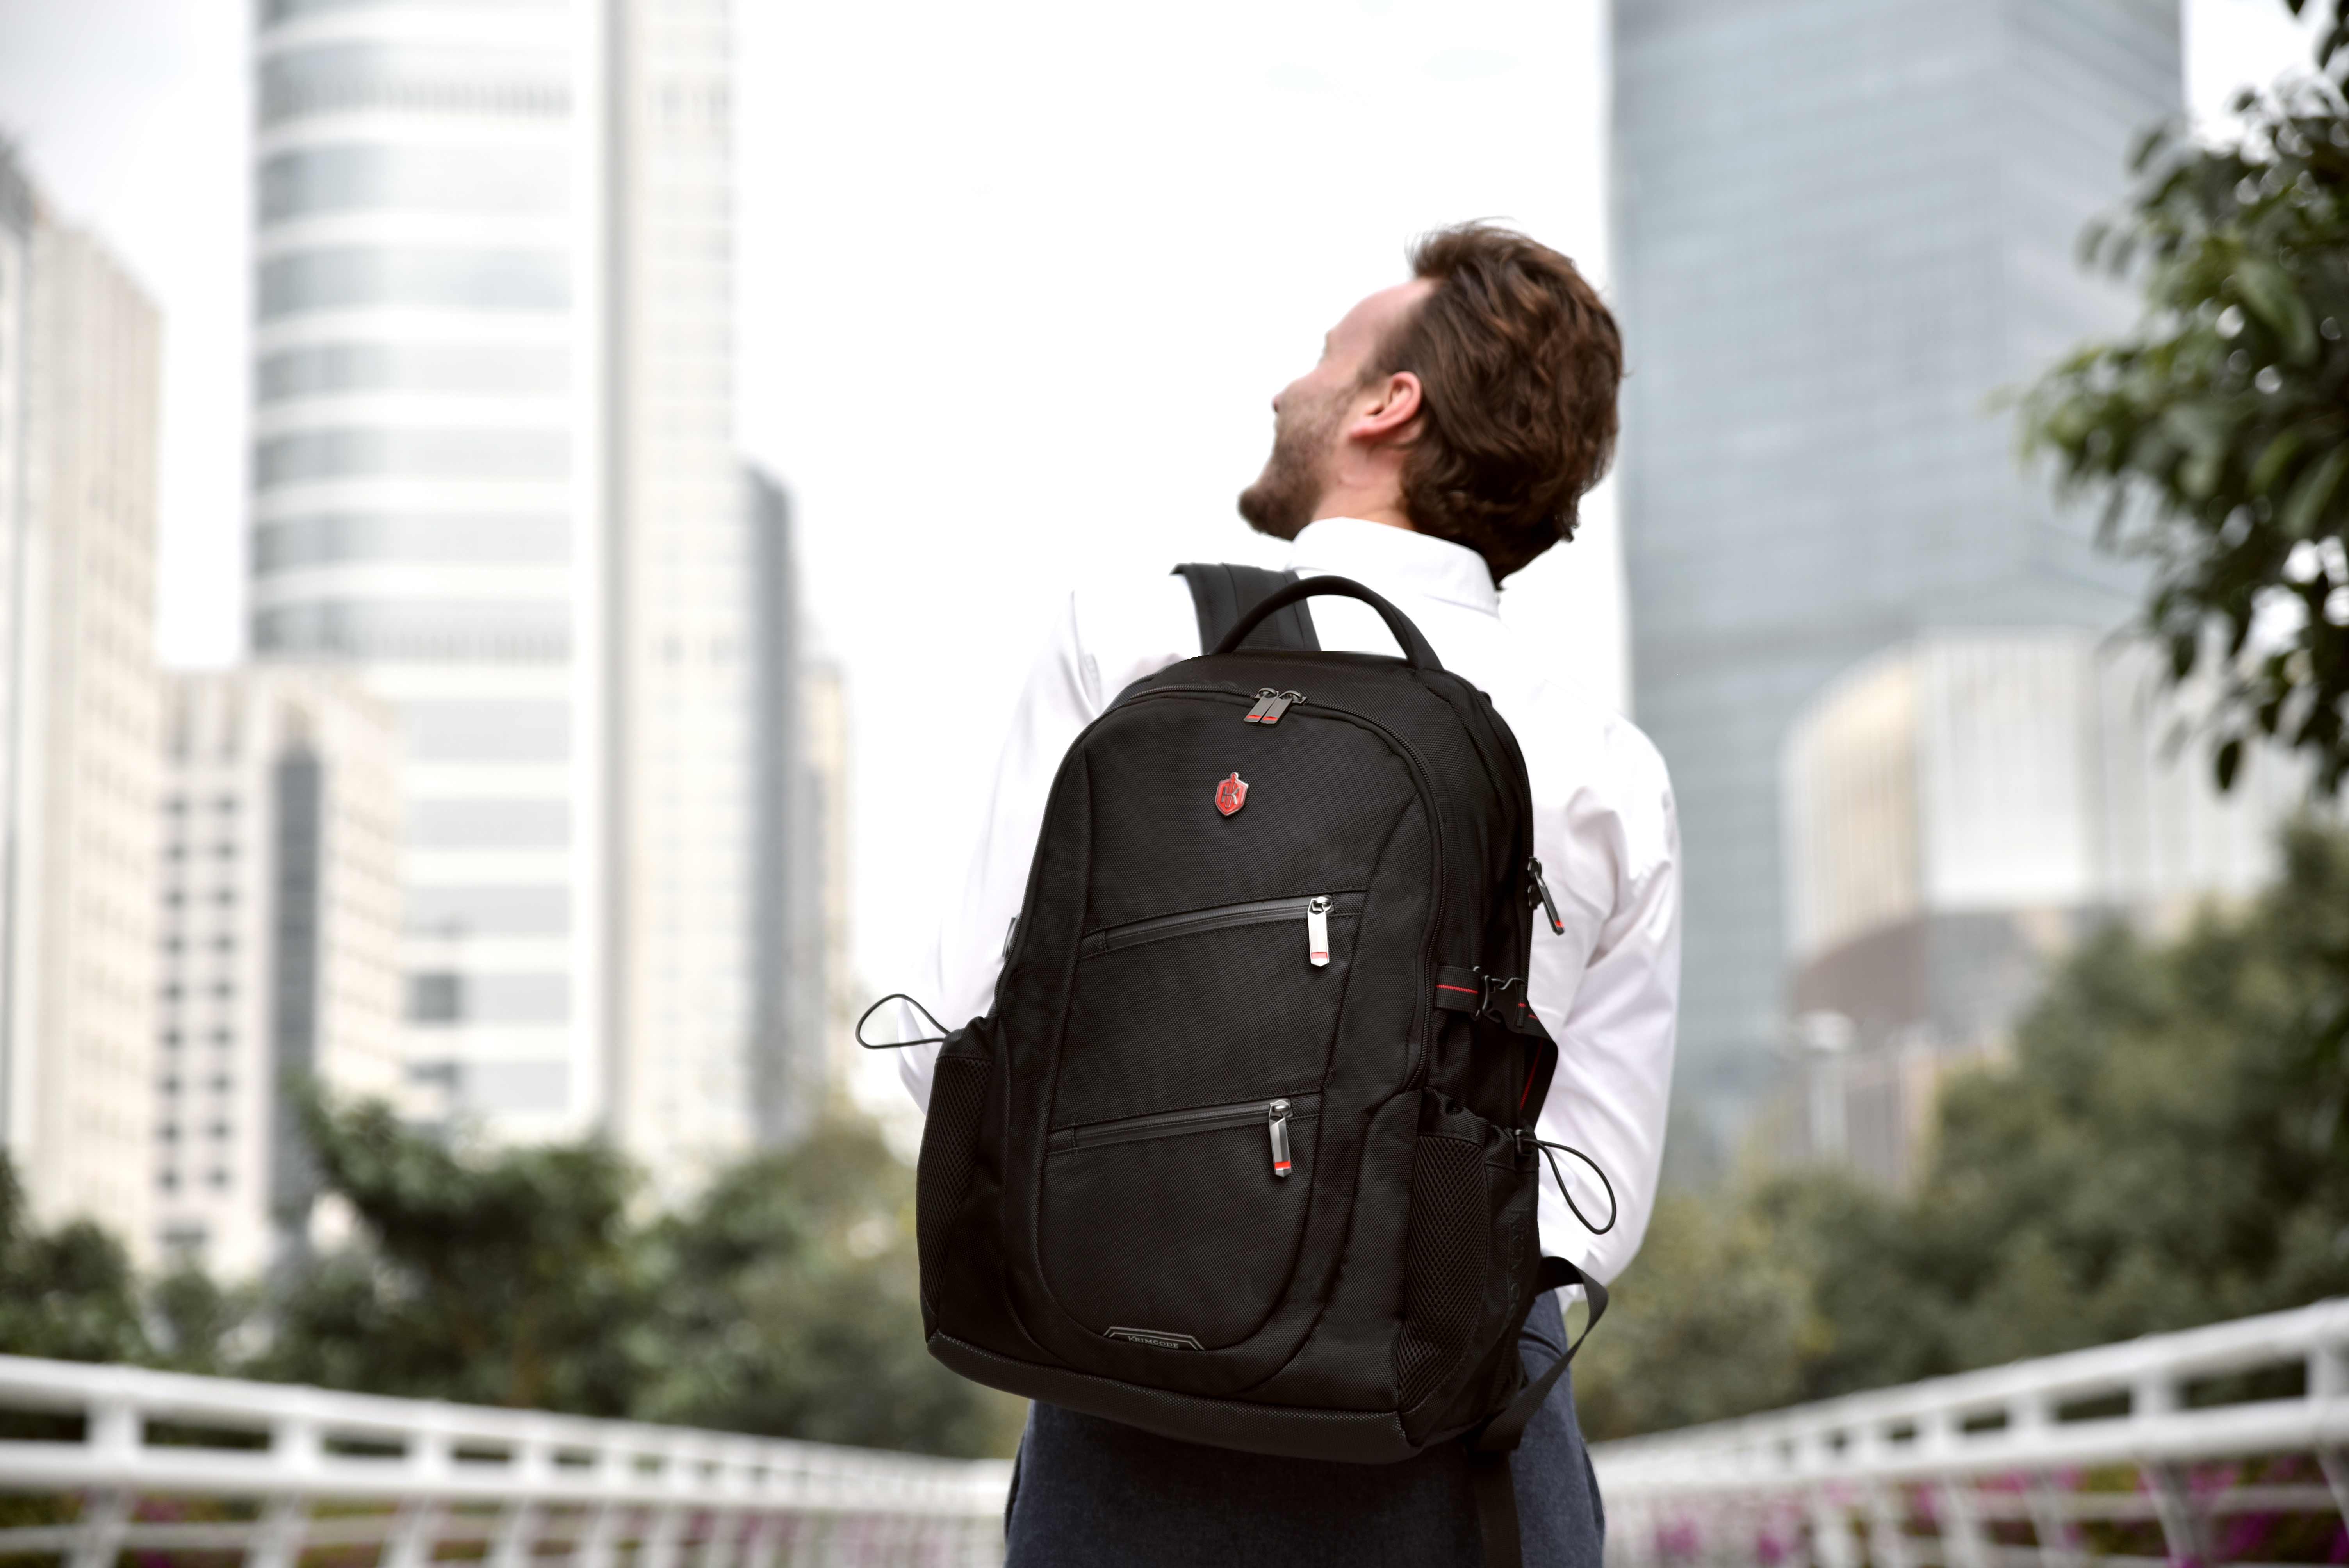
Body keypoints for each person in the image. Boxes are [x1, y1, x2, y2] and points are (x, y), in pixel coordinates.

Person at [898, 222, 1679, 1567]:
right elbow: (1596, 1190)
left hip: (1140, 1404)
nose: (1286, 389)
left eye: (1326, 357)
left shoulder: (1134, 642)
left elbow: (963, 1041)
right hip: (1457, 1434)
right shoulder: (1611, 769)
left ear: (1393, 405)